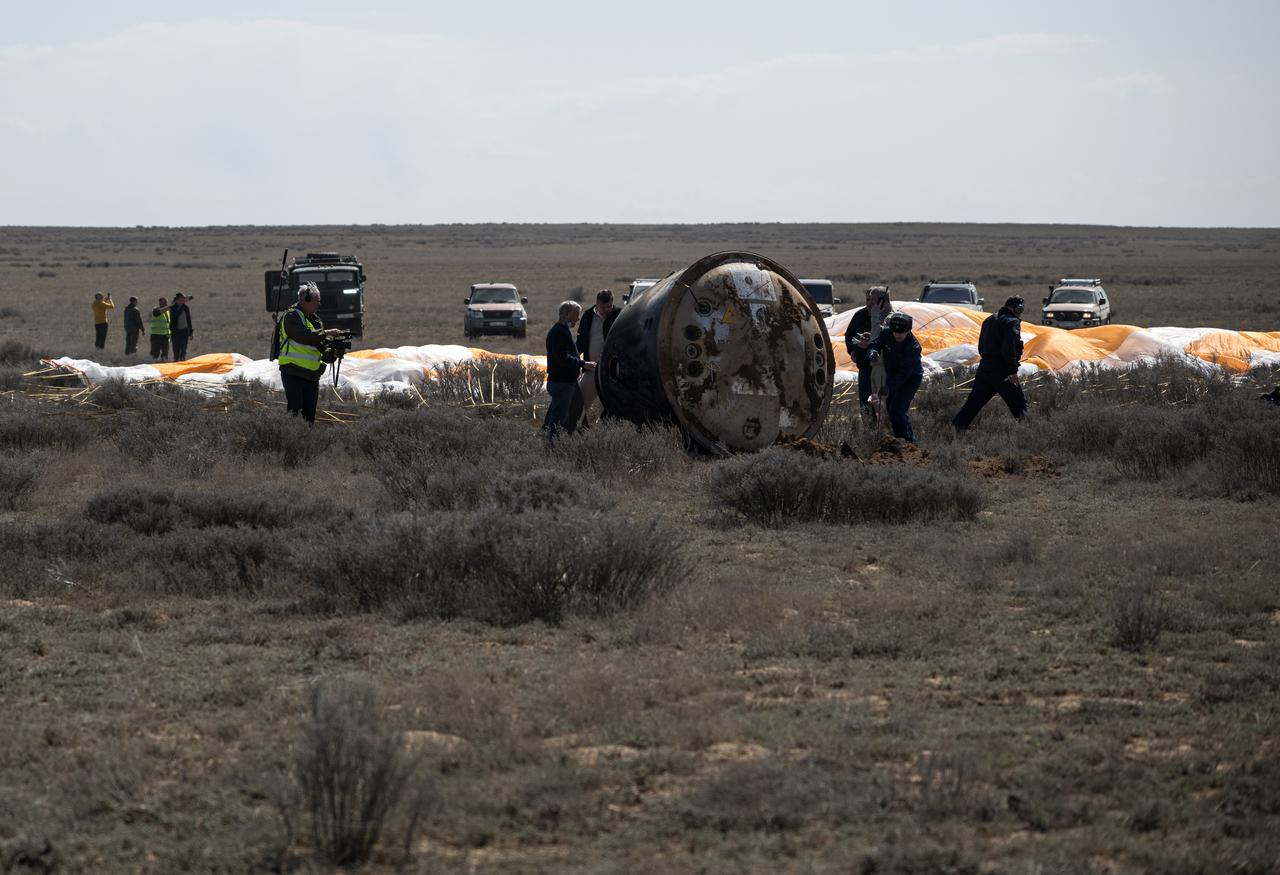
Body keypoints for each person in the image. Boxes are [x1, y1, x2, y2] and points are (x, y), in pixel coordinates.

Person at [952, 296, 1029, 430]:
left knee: (973, 403)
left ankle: (956, 428)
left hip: (985, 368)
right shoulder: (1012, 322)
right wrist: (1012, 371)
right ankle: (1029, 431)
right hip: (1003, 371)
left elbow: (981, 346)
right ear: (1017, 308)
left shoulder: (989, 319)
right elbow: (1009, 348)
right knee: (1019, 405)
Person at [277, 282, 344, 423]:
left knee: (309, 417)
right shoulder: (291, 316)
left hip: (311, 376)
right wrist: (327, 332)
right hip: (293, 372)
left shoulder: (315, 320)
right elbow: (304, 336)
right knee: (295, 414)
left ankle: (308, 436)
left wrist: (334, 352)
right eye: (316, 301)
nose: (318, 304)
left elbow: (321, 349)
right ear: (305, 300)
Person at [860, 311, 924, 443]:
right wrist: (872, 352)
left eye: (901, 333)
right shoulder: (886, 334)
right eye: (895, 332)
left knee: (897, 410)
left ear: (908, 331)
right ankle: (902, 439)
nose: (897, 335)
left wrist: (888, 387)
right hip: (892, 375)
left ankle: (907, 443)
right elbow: (874, 345)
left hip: (910, 379)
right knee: (891, 410)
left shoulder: (913, 347)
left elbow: (904, 374)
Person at [543, 301, 595, 444]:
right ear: (565, 315)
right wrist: (583, 363)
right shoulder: (558, 333)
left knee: (573, 409)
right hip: (561, 382)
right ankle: (552, 445)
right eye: (575, 315)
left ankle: (566, 440)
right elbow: (562, 358)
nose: (578, 318)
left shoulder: (563, 331)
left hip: (568, 382)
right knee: (558, 417)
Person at [843, 286, 893, 423]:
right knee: (866, 405)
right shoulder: (860, 315)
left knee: (884, 406)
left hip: (884, 370)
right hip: (865, 368)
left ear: (883, 301)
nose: (870, 303)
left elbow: (888, 341)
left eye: (873, 300)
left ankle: (886, 431)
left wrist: (871, 343)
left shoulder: (891, 318)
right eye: (868, 300)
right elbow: (849, 334)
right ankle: (868, 431)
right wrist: (852, 350)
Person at [573, 289, 619, 428]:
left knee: (615, 402)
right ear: (596, 303)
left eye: (609, 306)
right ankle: (581, 428)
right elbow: (581, 341)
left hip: (613, 371)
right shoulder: (587, 316)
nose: (606, 310)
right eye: (602, 307)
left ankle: (610, 430)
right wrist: (576, 360)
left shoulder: (619, 315)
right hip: (591, 368)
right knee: (579, 401)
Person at [169, 292, 194, 361]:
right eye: (180, 299)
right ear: (177, 300)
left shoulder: (186, 308)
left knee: (183, 349)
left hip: (184, 331)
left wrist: (191, 332)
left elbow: (188, 320)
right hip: (175, 332)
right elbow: (176, 315)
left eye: (183, 299)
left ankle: (182, 359)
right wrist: (181, 306)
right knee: (176, 350)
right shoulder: (173, 308)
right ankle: (176, 361)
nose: (182, 300)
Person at [149, 297, 171, 361]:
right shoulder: (155, 310)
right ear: (160, 302)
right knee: (155, 354)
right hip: (156, 335)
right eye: (164, 302)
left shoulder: (167, 312)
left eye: (166, 302)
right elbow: (157, 313)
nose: (166, 304)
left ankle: (163, 362)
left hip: (165, 335)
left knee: (165, 353)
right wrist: (170, 306)